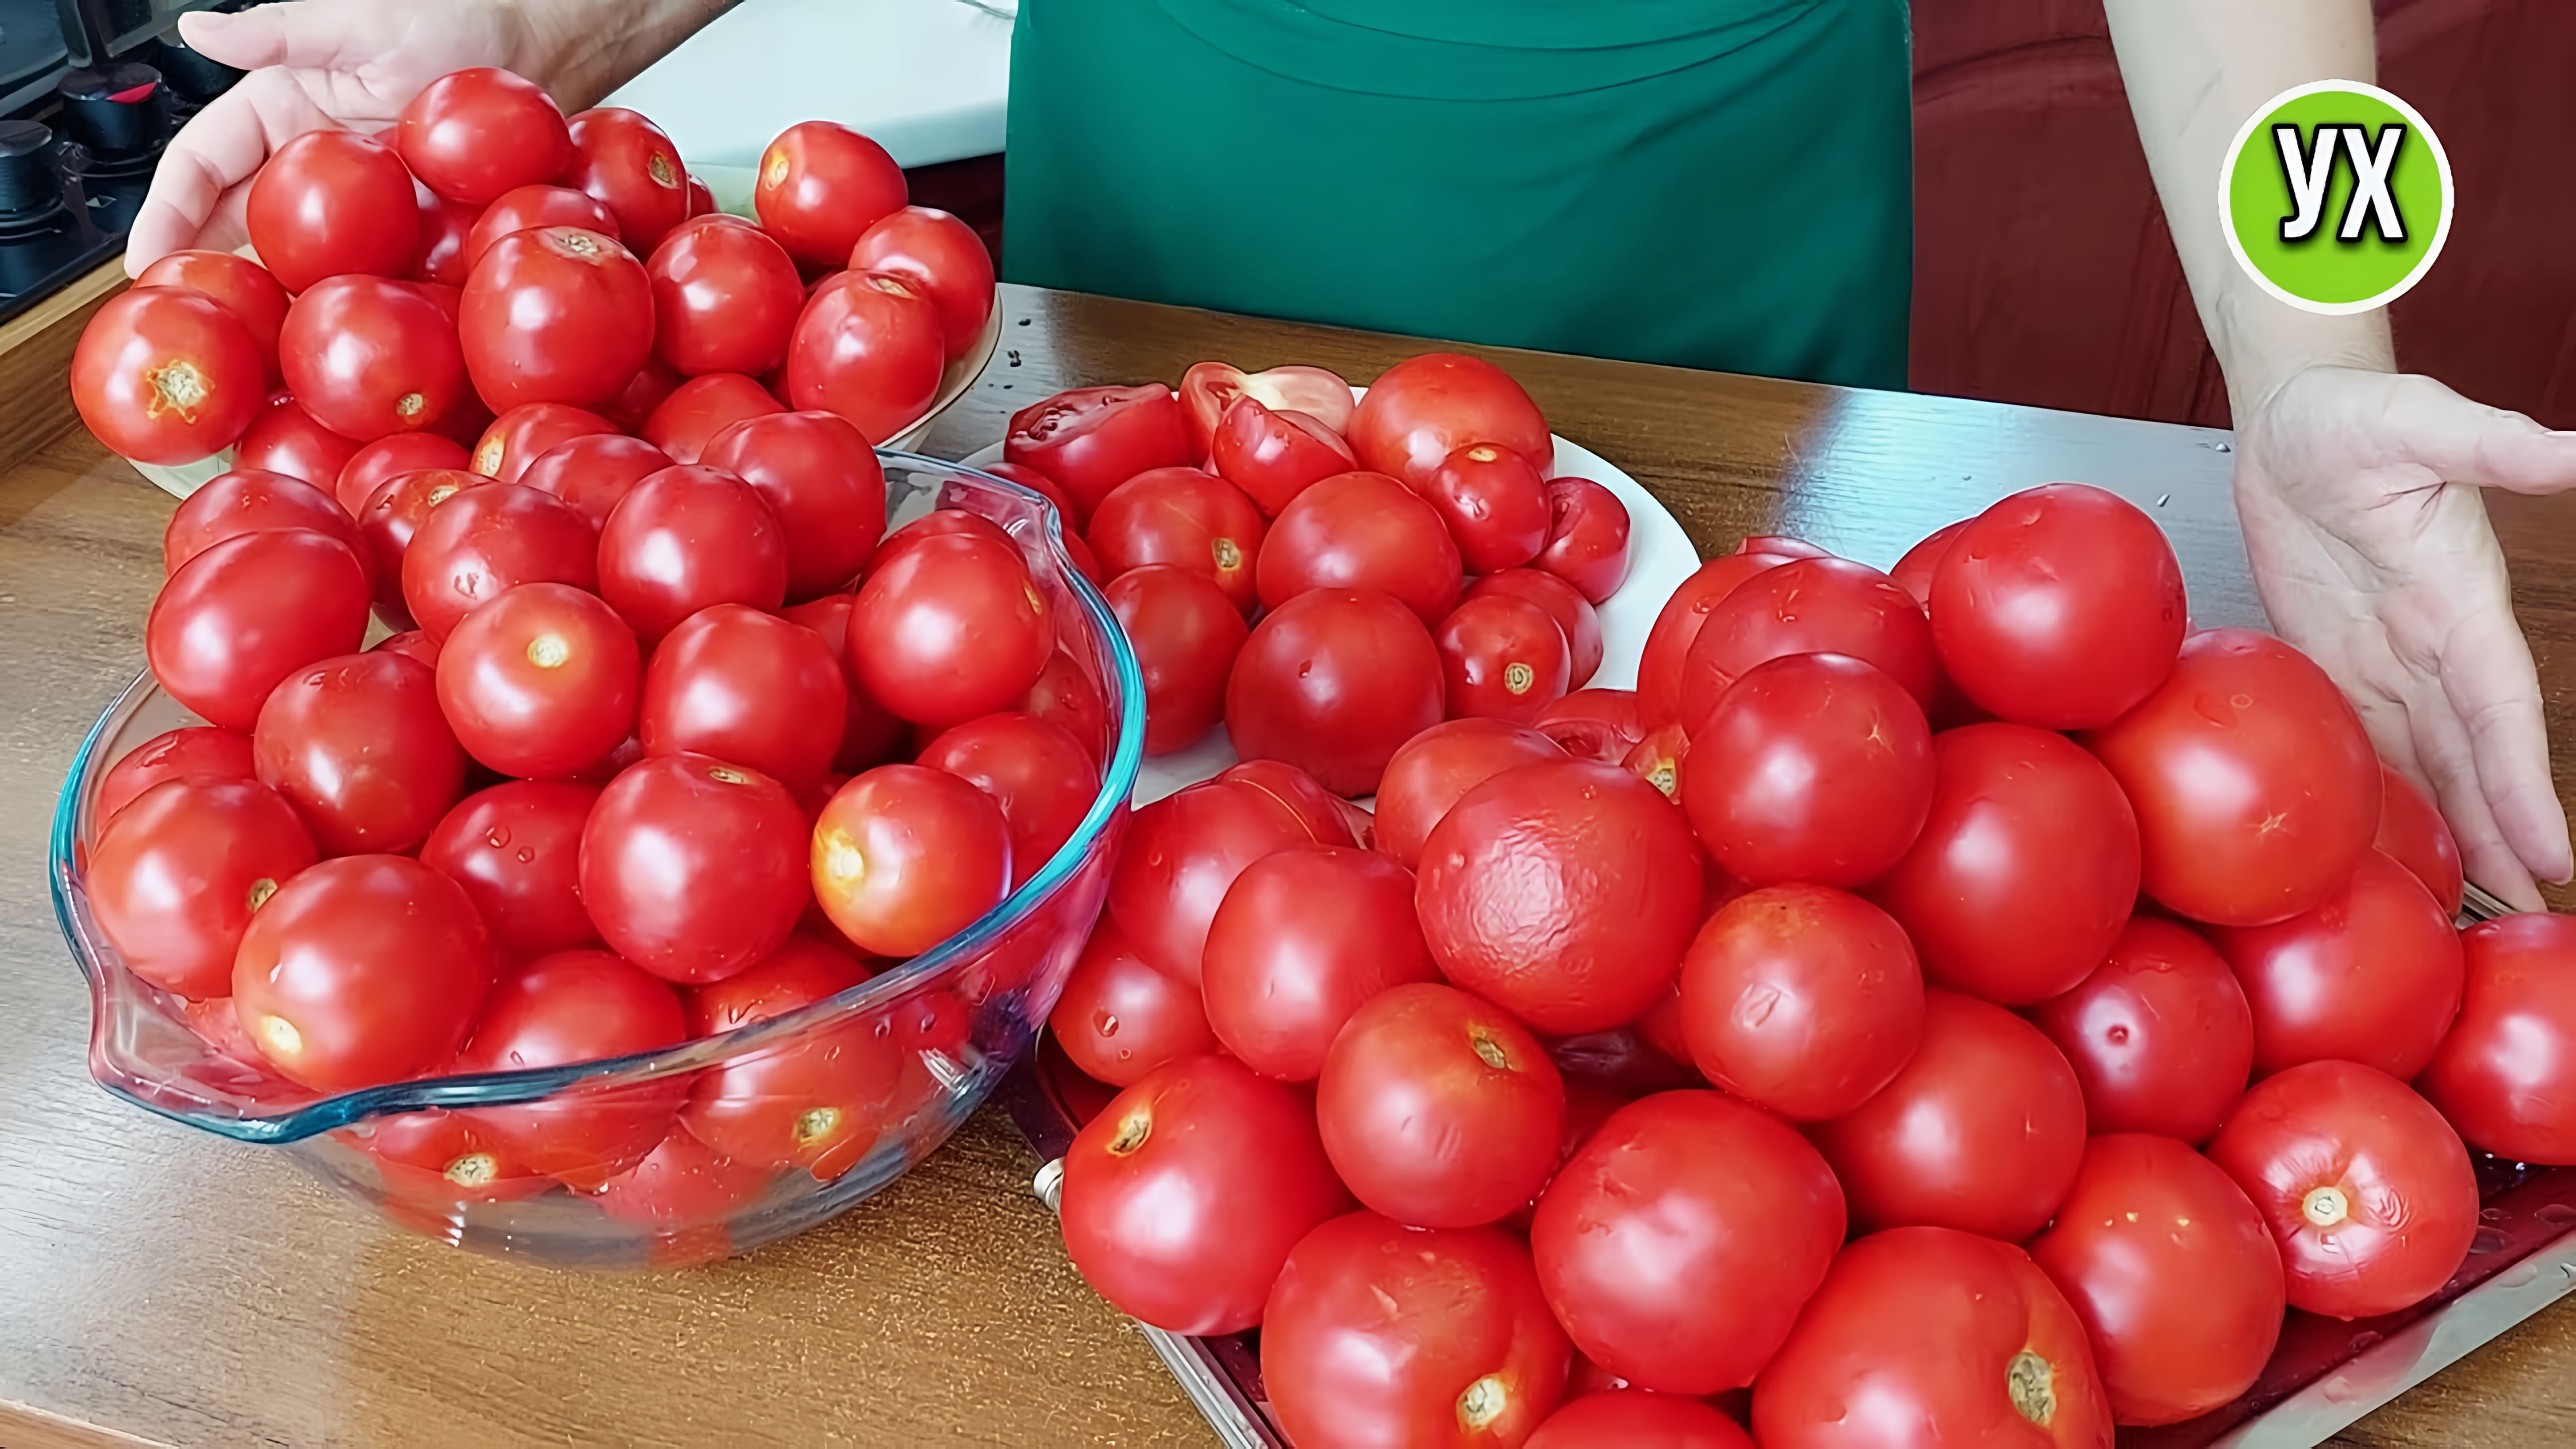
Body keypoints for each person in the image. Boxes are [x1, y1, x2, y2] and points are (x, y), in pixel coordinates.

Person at [124, 0, 2576, 909]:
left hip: (1710, 234)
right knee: (1147, 797)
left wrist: (2311, 332)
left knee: (1672, 811)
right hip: (1168, 238)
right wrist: (521, 15)